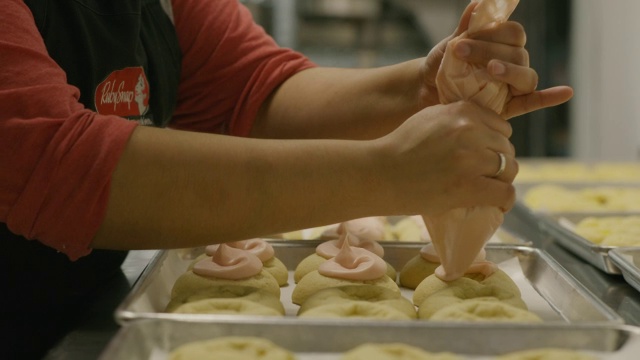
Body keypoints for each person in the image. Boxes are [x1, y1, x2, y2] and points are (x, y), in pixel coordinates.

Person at [0, 0, 573, 357]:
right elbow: (50, 162)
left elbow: (251, 90)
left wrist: (422, 89)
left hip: (84, 318)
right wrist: (391, 171)